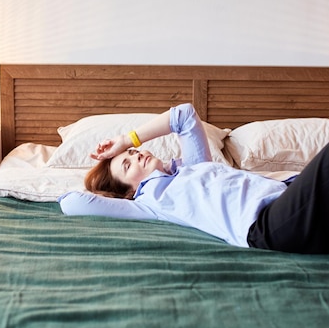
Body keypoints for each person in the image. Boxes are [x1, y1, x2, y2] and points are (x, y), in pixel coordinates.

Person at [59, 103, 329, 254]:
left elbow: (184, 115)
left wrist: (125, 140)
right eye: (127, 165)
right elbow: (70, 202)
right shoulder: (149, 202)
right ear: (129, 191)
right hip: (267, 224)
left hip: (289, 197)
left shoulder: (193, 166)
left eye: (132, 153)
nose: (137, 155)